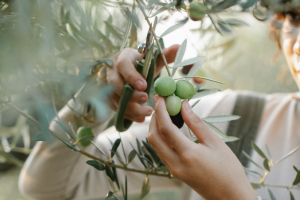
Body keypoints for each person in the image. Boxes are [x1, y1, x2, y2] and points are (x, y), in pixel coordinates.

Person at [19, 6, 300, 200]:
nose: (297, 43)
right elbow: (46, 188)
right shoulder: (227, 118)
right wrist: (96, 101)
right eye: (294, 17)